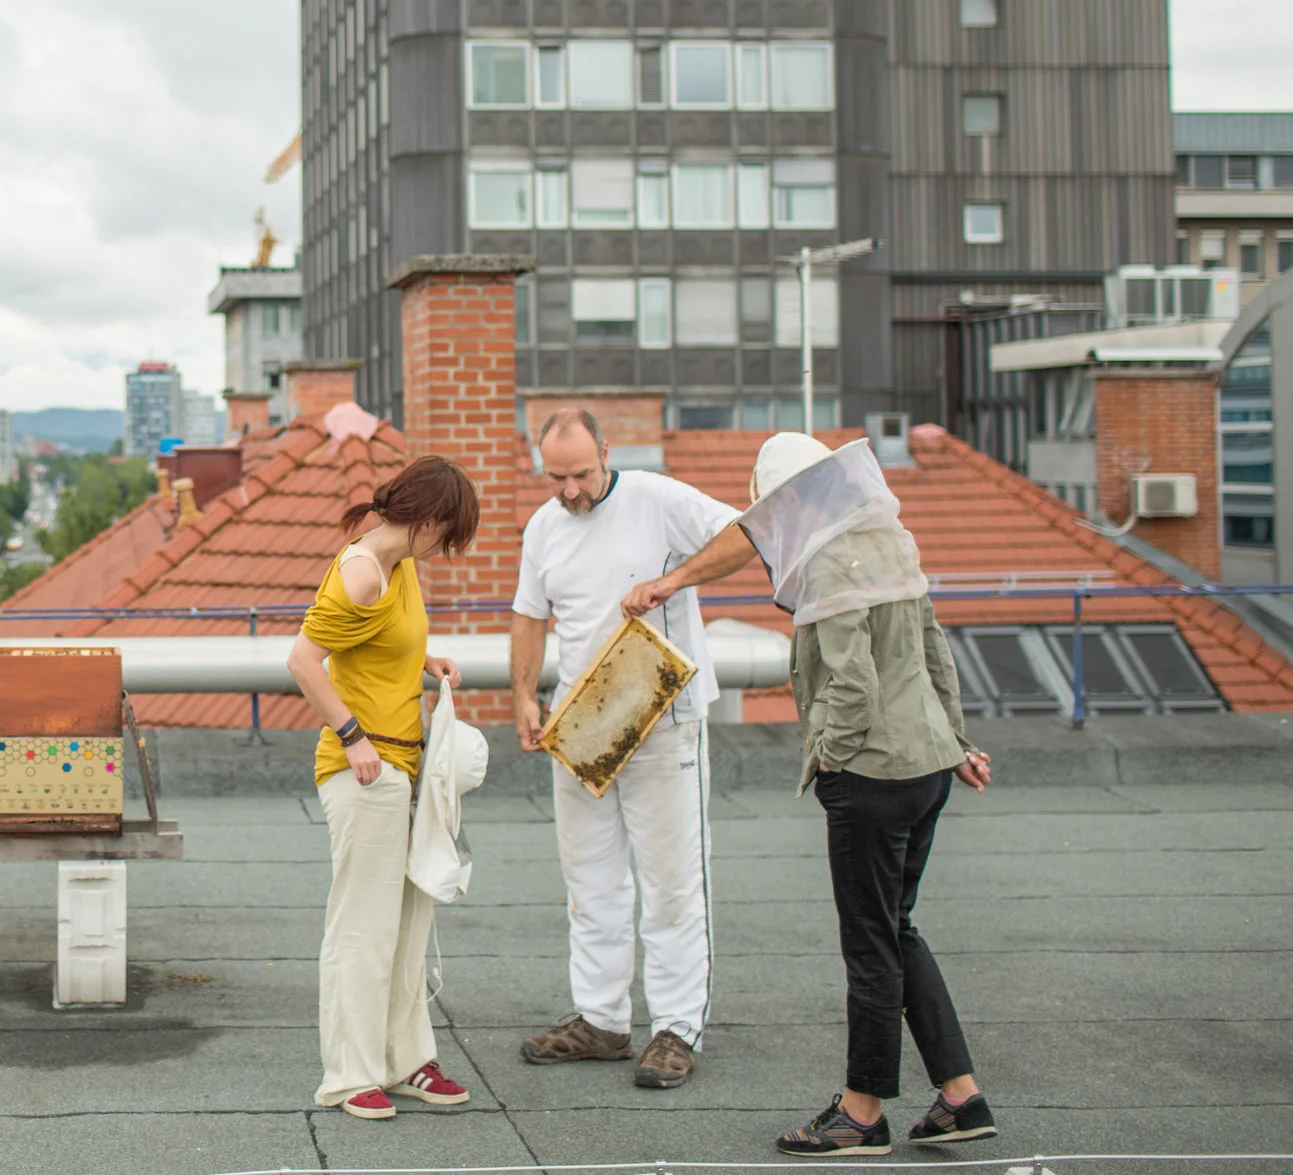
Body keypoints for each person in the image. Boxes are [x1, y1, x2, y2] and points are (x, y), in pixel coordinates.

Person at [639, 431, 996, 1156]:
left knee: (869, 944)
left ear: (795, 498)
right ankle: (960, 1096)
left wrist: (829, 761)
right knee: (898, 927)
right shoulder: (894, 539)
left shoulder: (828, 563)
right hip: (928, 763)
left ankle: (860, 1112)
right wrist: (957, 742)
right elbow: (935, 653)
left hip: (872, 772)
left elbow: (852, 683)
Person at [510, 408, 762, 1089]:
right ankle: (602, 1018)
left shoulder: (658, 497)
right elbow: (530, 614)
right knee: (589, 879)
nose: (570, 489)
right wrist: (524, 695)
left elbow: (746, 534)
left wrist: (672, 580)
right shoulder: (543, 525)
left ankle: (676, 1027)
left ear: (607, 453)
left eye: (582, 473)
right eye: (556, 476)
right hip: (584, 721)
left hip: (662, 714)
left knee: (673, 879)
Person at [287, 455, 480, 1121]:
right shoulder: (363, 570)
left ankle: (404, 1061)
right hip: (364, 768)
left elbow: (376, 640)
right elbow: (303, 660)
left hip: (405, 762)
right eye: (449, 533)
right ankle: (348, 1074)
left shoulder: (401, 563)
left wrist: (425, 659)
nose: (449, 548)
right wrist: (351, 736)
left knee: (406, 924)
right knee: (362, 928)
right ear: (426, 519)